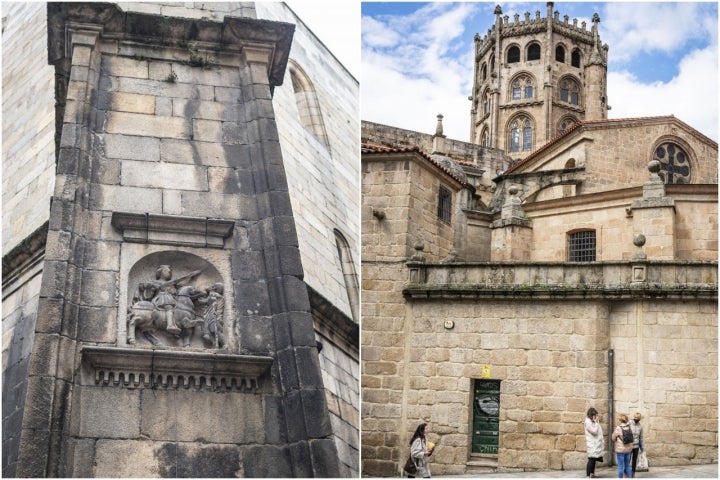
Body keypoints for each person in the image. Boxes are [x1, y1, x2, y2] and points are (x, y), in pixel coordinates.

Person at [612, 413, 634, 478]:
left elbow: (613, 438)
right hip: (628, 450)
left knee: (620, 466)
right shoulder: (629, 427)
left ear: (620, 420)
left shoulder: (618, 428)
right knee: (627, 466)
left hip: (620, 450)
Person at [584, 408, 604, 478]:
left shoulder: (592, 421)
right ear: (592, 415)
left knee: (594, 459)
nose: (596, 417)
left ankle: (592, 473)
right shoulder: (588, 422)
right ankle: (587, 475)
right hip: (592, 444)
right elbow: (594, 432)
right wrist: (596, 422)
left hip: (596, 443)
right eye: (595, 415)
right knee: (591, 459)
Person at [630, 412, 644, 477]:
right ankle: (626, 471)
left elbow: (641, 437)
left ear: (639, 419)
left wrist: (642, 448)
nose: (636, 419)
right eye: (635, 417)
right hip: (629, 445)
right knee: (627, 459)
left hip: (636, 446)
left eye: (638, 418)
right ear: (633, 417)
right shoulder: (629, 423)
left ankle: (633, 473)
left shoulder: (640, 426)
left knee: (634, 461)